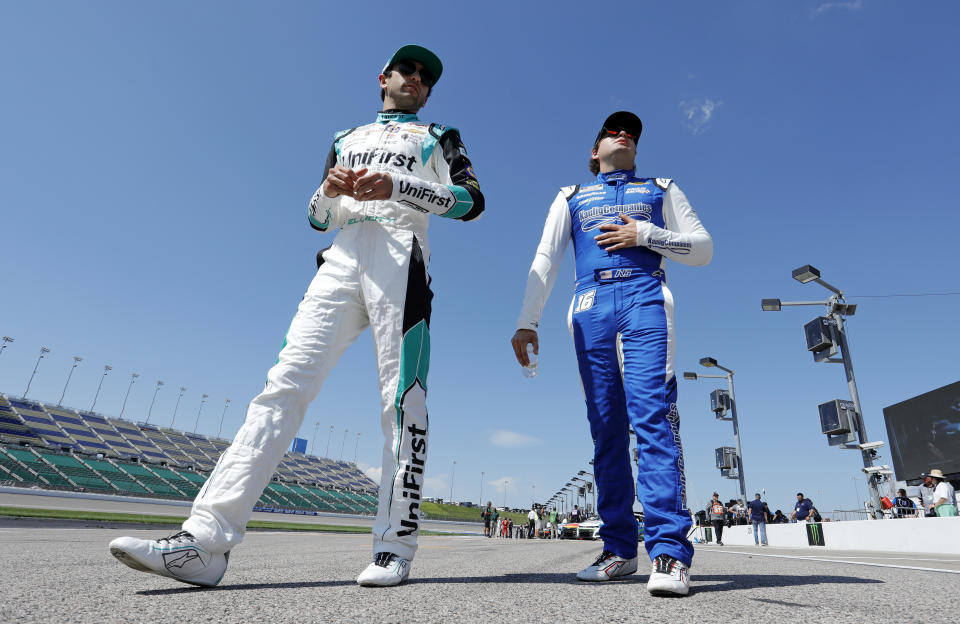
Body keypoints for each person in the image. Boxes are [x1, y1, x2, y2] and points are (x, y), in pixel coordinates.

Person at [107, 44, 484, 589]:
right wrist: (326, 191)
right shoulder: (343, 138)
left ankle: (393, 547)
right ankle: (205, 542)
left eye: (426, 78)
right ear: (384, 76)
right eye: (408, 70)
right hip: (340, 257)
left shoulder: (439, 135)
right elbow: (316, 218)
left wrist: (399, 186)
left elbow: (473, 200)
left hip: (402, 257)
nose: (417, 80)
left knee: (401, 401)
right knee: (282, 389)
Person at [511, 111, 712, 596]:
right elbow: (545, 257)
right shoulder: (571, 196)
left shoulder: (661, 187)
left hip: (645, 298)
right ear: (593, 152)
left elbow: (703, 249)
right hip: (588, 304)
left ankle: (668, 553)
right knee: (605, 430)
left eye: (632, 133)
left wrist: (644, 235)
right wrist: (526, 320)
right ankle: (620, 550)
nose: (624, 134)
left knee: (653, 419)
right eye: (611, 130)